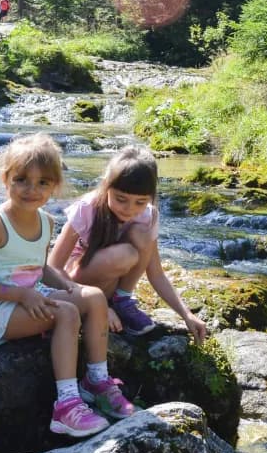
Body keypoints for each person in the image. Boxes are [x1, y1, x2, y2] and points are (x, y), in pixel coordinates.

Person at [0, 133, 136, 438]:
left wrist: (68, 285)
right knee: (67, 314)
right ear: (5, 179)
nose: (32, 190)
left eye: (43, 182)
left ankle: (96, 381)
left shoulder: (45, 222)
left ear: (55, 185)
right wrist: (21, 294)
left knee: (94, 297)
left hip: (31, 296)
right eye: (21, 180)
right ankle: (66, 406)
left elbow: (39, 267)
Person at [48, 146, 209, 344]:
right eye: (121, 199)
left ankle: (122, 300)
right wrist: (94, 304)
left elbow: (156, 273)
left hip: (109, 288)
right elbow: (53, 267)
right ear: (107, 186)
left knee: (139, 233)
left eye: (140, 202)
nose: (129, 209)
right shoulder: (86, 209)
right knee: (125, 254)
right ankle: (104, 305)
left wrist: (186, 314)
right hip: (77, 284)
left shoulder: (148, 216)